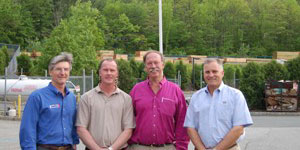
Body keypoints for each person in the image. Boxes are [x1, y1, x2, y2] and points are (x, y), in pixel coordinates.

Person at [184, 58, 253, 150]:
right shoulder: (196, 97)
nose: (211, 75)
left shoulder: (235, 95)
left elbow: (239, 128)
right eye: (207, 72)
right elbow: (190, 127)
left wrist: (216, 149)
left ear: (222, 73)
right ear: (203, 74)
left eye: (214, 71)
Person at [128, 50, 189, 150]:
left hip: (167, 147)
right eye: (149, 63)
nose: (153, 66)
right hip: (139, 146)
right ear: (145, 67)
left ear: (163, 64)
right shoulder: (136, 90)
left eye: (156, 62)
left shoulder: (175, 90)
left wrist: (181, 147)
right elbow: (128, 119)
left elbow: (182, 121)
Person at [19, 52, 79, 150]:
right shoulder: (37, 97)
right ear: (50, 72)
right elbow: (28, 129)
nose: (62, 73)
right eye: (58, 69)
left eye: (66, 69)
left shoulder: (71, 98)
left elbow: (72, 125)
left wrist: (75, 142)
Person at [76, 58, 135, 150]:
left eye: (112, 70)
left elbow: (128, 129)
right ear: (99, 72)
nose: (109, 73)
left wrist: (111, 149)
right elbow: (81, 128)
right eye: (105, 70)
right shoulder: (86, 98)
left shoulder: (126, 99)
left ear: (117, 74)